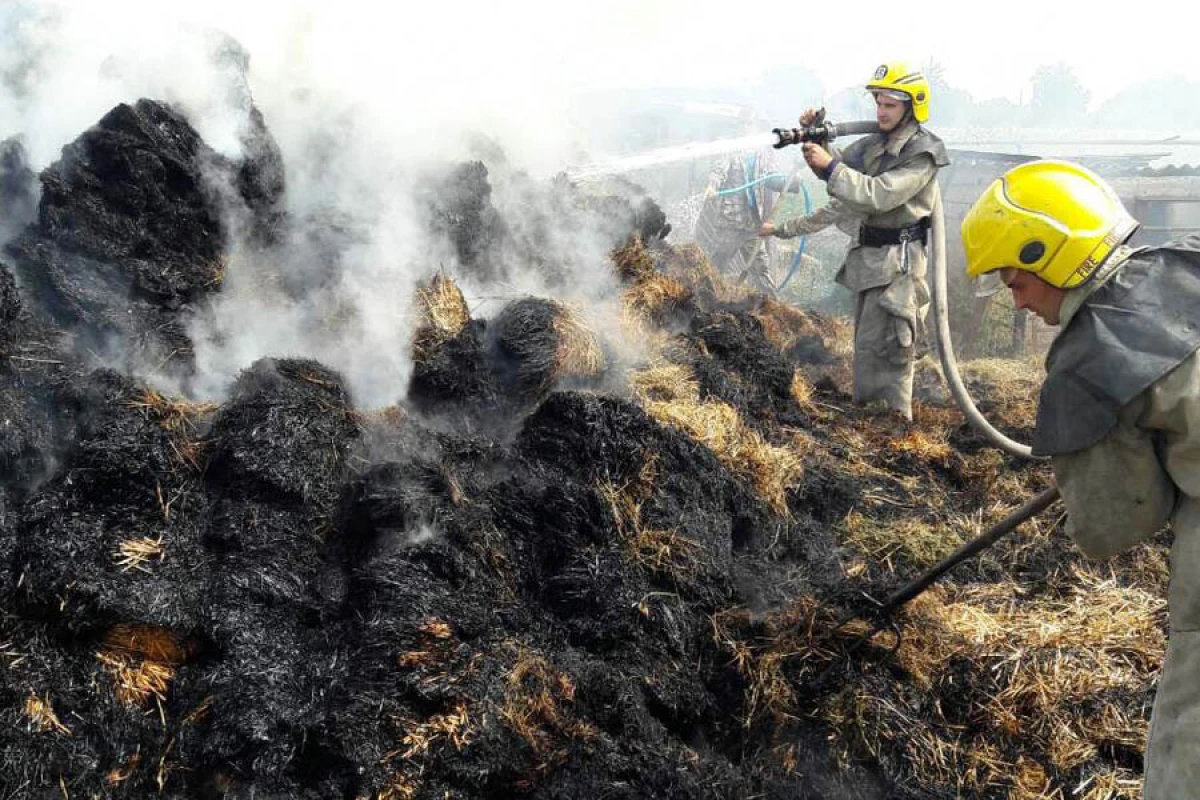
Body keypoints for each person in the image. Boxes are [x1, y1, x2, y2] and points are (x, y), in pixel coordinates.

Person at [961, 159, 1200, 799]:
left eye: (1014, 278)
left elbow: (1116, 525)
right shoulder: (1182, 261)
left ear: (1050, 255)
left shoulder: (1086, 366)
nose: (1016, 299)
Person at [762, 62, 948, 420]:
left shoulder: (922, 154)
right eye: (878, 102)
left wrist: (830, 166)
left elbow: (877, 194)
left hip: (897, 269)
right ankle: (871, 425)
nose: (881, 111)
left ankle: (894, 431)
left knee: (890, 355)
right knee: (867, 351)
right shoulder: (877, 143)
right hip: (871, 263)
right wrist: (816, 140)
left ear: (912, 106)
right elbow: (837, 168)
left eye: (890, 104)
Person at [693, 108, 800, 292]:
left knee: (761, 269)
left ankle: (771, 303)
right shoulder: (730, 148)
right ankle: (703, 298)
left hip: (752, 224)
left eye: (748, 123)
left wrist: (791, 182)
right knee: (716, 267)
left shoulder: (763, 153)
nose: (744, 127)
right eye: (741, 123)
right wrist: (712, 185)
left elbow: (770, 178)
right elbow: (719, 170)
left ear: (756, 127)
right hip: (731, 222)